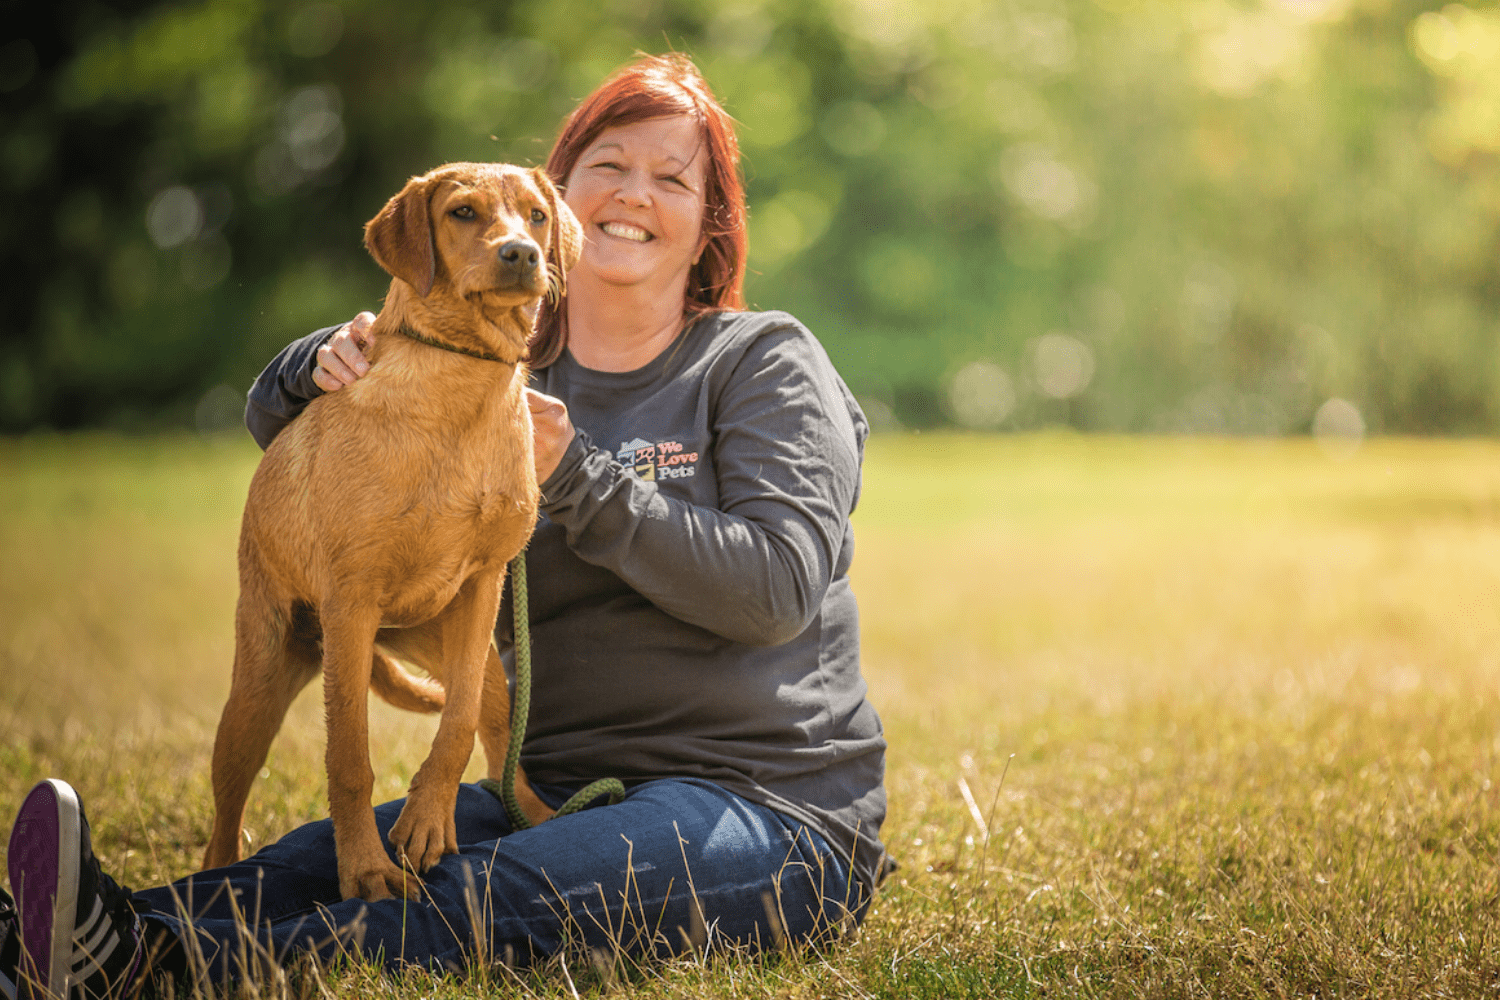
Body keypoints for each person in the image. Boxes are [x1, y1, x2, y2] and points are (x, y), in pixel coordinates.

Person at [2, 53, 889, 999]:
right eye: (609, 167)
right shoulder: (486, 366)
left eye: (672, 179)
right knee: (312, 866)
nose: (634, 195)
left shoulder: (759, 361)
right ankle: (71, 936)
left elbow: (779, 591)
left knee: (493, 890)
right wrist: (315, 368)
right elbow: (324, 488)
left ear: (708, 224)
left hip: (758, 807)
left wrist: (580, 475)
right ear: (559, 194)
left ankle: (153, 969)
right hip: (542, 787)